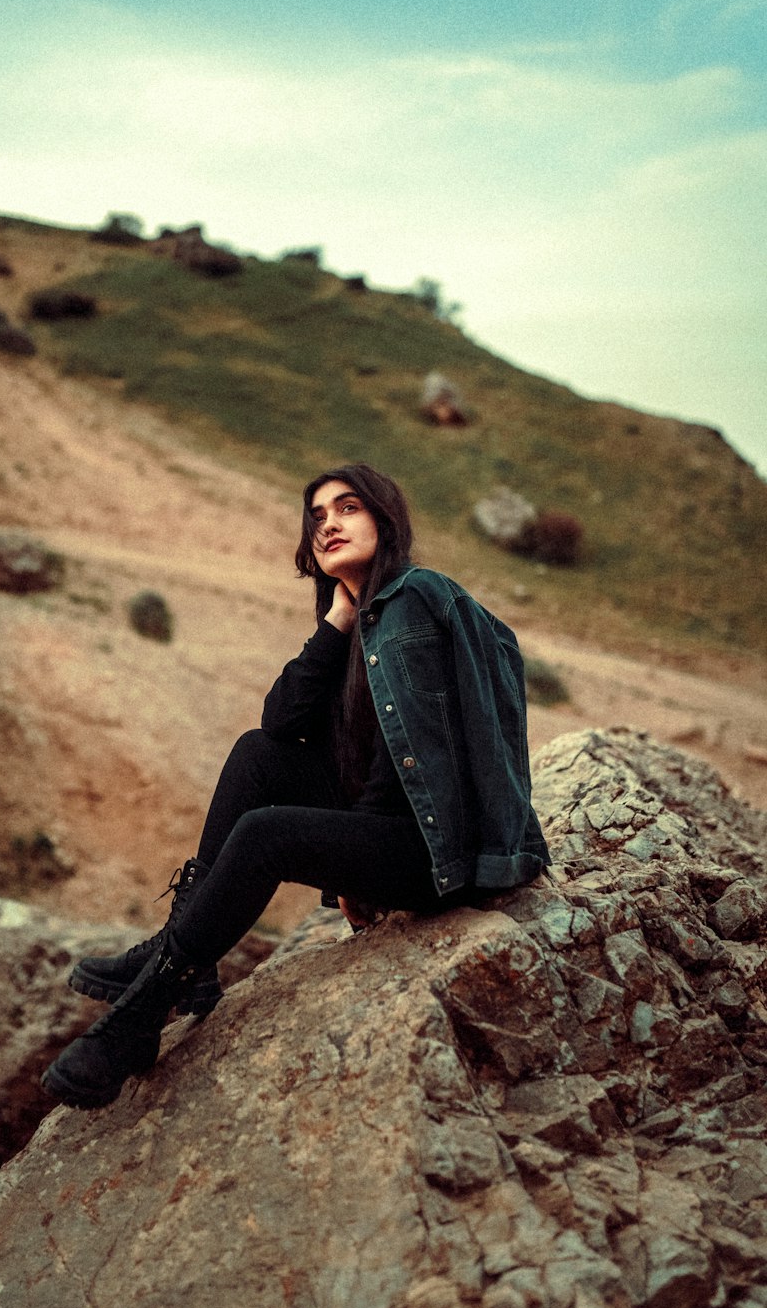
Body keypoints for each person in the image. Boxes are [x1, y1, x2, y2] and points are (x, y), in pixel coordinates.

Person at [41, 463, 550, 1108]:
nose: (329, 524)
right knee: (257, 755)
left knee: (267, 835)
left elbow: (469, 728)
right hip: (386, 830)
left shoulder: (423, 597)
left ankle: (141, 1013)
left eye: (348, 508)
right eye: (317, 517)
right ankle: (186, 957)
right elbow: (280, 723)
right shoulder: (360, 624)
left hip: (432, 849)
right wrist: (335, 621)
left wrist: (360, 869)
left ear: (385, 519)